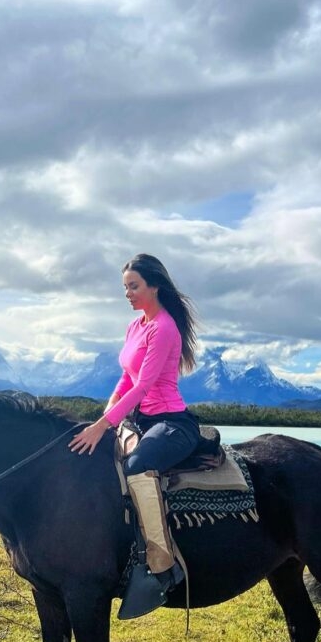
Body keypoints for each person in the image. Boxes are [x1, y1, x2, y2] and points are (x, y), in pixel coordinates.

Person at [69, 253, 200, 618]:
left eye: (134, 286)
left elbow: (143, 386)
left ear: (154, 286)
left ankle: (162, 564)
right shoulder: (136, 327)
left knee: (139, 464)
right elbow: (125, 379)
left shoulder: (164, 328)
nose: (127, 293)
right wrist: (102, 420)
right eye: (125, 286)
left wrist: (102, 426)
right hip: (139, 421)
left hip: (171, 422)